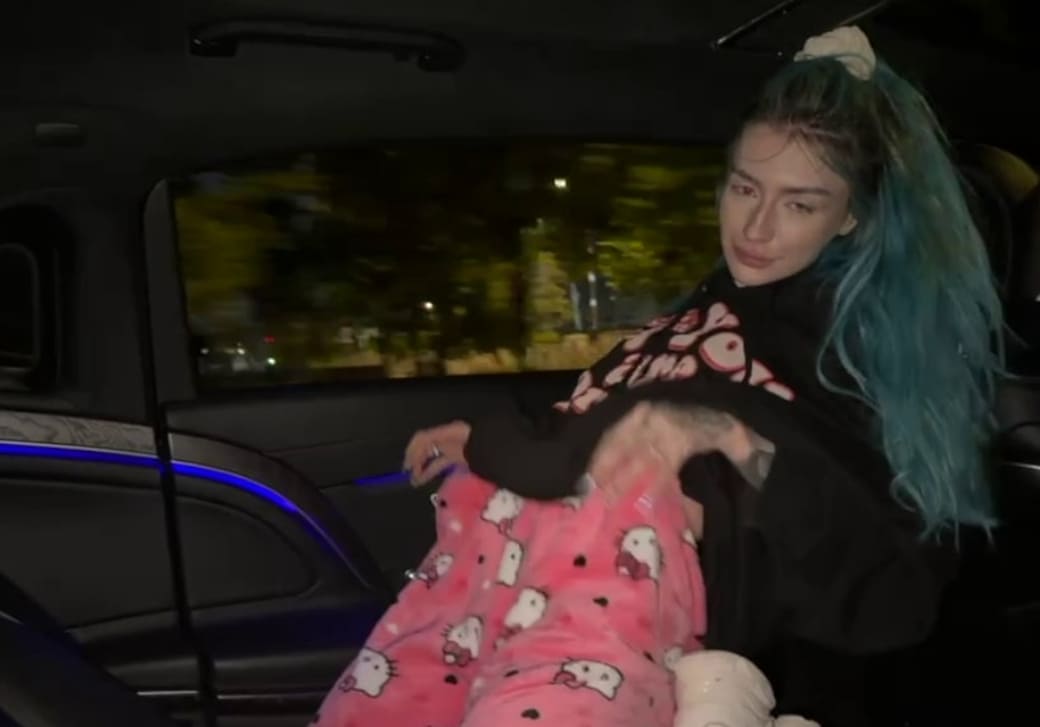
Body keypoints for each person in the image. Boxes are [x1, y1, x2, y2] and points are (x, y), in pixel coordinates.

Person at [317, 25, 1005, 727]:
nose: (756, 228)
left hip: (610, 635)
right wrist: (486, 440)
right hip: (489, 597)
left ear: (851, 216)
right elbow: (594, 428)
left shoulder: (851, 350)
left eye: (800, 204)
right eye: (745, 188)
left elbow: (890, 588)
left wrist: (731, 438)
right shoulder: (700, 310)